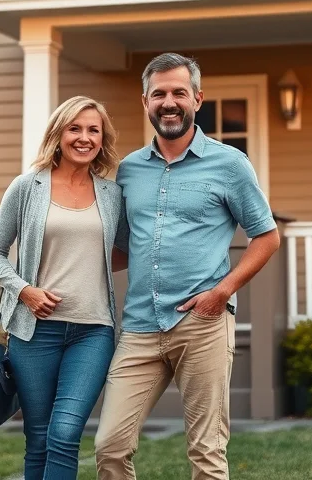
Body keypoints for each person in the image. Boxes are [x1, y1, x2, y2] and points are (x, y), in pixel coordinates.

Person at [95, 53, 281, 480]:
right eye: (159, 94)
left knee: (206, 451)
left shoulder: (230, 164)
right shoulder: (129, 170)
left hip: (202, 323)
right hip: (140, 327)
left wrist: (222, 293)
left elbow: (267, 237)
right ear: (145, 102)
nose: (169, 102)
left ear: (197, 98)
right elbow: (123, 249)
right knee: (110, 446)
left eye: (179, 92)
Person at [0, 95, 126, 480]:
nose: (84, 137)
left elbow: (126, 251)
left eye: (93, 130)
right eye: (74, 128)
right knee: (39, 438)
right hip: (34, 333)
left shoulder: (112, 195)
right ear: (58, 134)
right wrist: (24, 291)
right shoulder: (26, 187)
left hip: (93, 331)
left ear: (102, 138)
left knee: (64, 432)